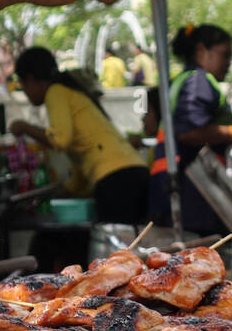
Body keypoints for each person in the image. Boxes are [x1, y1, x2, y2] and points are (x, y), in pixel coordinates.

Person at [10, 47, 148, 224]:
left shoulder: (56, 92)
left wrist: (24, 127)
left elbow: (60, 140)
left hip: (115, 180)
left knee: (121, 249)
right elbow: (79, 173)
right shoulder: (72, 93)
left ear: (29, 78)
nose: (25, 91)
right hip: (135, 172)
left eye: (22, 84)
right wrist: (54, 196)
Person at [149, 24, 232, 235]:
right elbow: (188, 131)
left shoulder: (185, 80)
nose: (229, 63)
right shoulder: (199, 81)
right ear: (203, 50)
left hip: (172, 182)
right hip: (190, 188)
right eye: (224, 55)